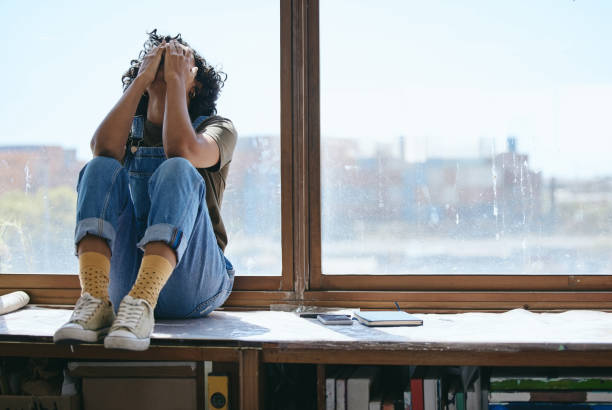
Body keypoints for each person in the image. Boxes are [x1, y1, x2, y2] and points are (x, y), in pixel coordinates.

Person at [53, 30, 237, 351]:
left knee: (178, 167)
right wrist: (141, 81)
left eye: (179, 62)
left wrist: (177, 82)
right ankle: (95, 299)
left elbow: (182, 150)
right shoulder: (130, 128)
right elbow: (102, 148)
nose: (167, 65)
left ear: (197, 84)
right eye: (159, 61)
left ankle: (145, 299)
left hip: (192, 284)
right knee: (99, 166)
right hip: (125, 285)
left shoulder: (217, 128)